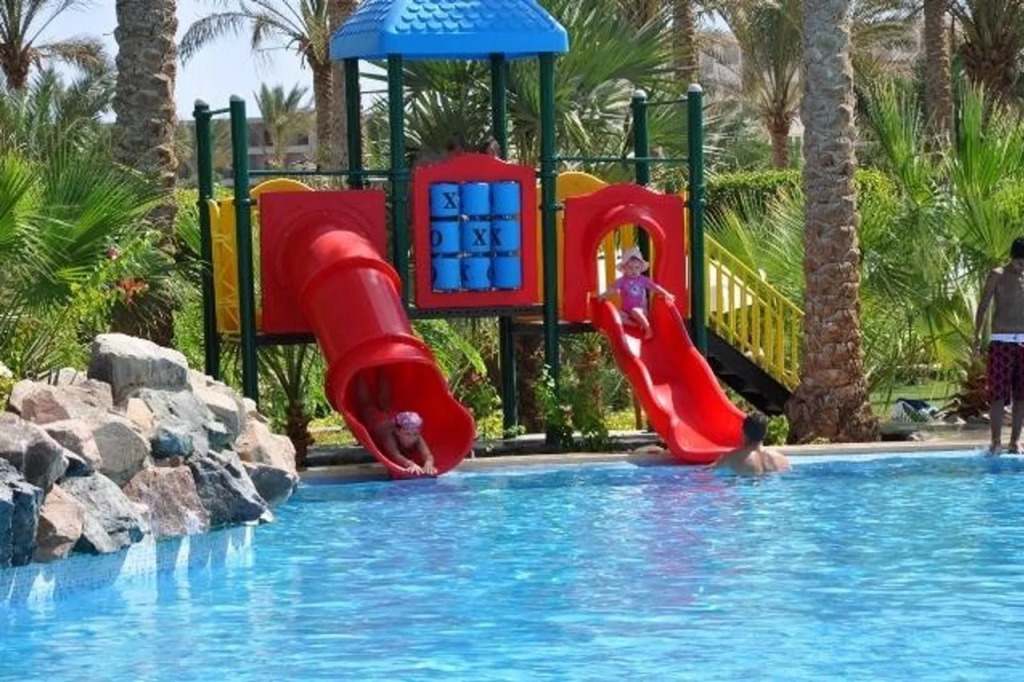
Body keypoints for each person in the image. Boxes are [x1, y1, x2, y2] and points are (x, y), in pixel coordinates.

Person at [973, 236, 1024, 455]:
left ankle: (1015, 442)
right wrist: (977, 336)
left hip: (1023, 342)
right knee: (998, 395)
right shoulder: (998, 274)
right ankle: (995, 441)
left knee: (1021, 395)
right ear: (1013, 258)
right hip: (1002, 341)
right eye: (1020, 262)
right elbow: (983, 306)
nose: (1022, 267)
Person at [354, 370, 437, 475]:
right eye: (408, 434)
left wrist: (428, 464)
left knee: (385, 402)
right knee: (367, 405)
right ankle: (360, 373)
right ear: (398, 432)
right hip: (378, 421)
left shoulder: (416, 437)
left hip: (392, 416)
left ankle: (381, 369)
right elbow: (395, 455)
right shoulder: (389, 437)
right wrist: (410, 464)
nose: (412, 438)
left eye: (415, 434)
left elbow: (428, 455)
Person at [596, 246, 674, 339]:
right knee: (615, 315)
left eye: (637, 268)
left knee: (635, 311)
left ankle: (648, 329)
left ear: (640, 269)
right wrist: (603, 295)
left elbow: (655, 287)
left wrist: (666, 294)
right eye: (630, 268)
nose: (634, 271)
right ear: (624, 268)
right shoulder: (622, 281)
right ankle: (635, 325)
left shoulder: (643, 280)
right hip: (626, 312)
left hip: (641, 310)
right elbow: (612, 289)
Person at [710, 413, 791, 475]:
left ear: (744, 433)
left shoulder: (730, 458)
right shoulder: (782, 460)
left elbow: (708, 472)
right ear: (765, 433)